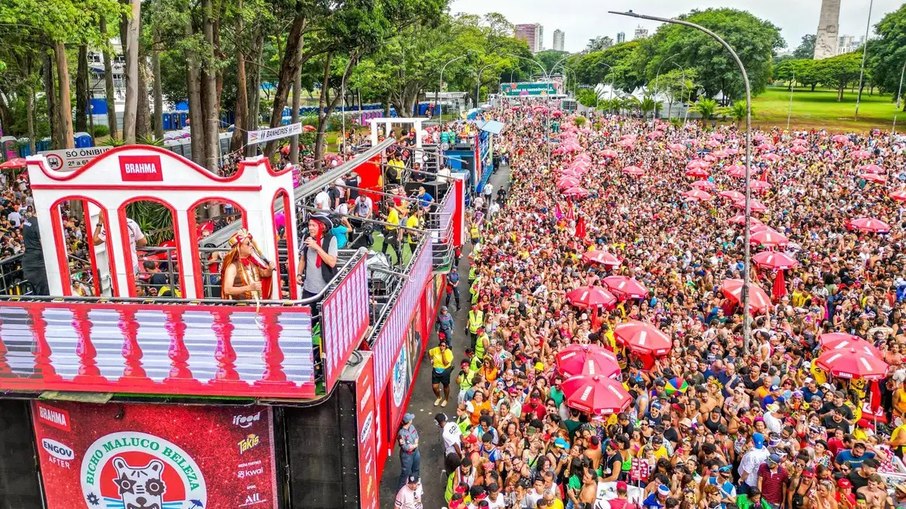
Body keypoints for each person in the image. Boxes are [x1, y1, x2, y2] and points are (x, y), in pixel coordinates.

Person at [221, 229, 274, 300]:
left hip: (258, 305)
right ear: (238, 247)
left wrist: (270, 269)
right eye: (248, 244)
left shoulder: (253, 262)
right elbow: (227, 289)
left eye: (251, 242)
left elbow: (265, 274)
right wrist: (249, 288)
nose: (251, 245)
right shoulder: (232, 267)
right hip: (241, 307)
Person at [297, 215, 338, 299]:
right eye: (309, 225)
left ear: (322, 227)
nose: (310, 228)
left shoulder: (331, 239)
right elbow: (302, 260)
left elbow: (332, 263)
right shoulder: (306, 237)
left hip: (326, 288)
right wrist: (299, 274)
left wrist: (316, 247)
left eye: (313, 225)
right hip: (308, 288)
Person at [20, 206, 49, 295]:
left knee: (36, 293)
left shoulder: (27, 222)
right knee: (44, 294)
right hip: (38, 263)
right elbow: (45, 245)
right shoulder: (38, 224)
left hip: (29, 261)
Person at [398, 413, 420, 490]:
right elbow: (406, 447)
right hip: (407, 456)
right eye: (411, 419)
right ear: (408, 421)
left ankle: (415, 484)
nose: (412, 420)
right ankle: (400, 491)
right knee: (405, 473)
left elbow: (417, 436)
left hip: (415, 452)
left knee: (416, 469)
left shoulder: (412, 427)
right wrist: (415, 445)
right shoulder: (401, 433)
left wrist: (414, 445)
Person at [430, 340, 454, 406]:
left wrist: (443, 353)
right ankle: (439, 397)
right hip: (436, 370)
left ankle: (446, 399)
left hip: (445, 371)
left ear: (446, 346)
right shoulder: (435, 350)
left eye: (444, 346)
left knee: (446, 386)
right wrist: (431, 360)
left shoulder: (449, 352)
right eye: (441, 345)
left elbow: (445, 363)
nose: (442, 347)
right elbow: (429, 353)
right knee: (434, 387)